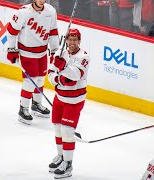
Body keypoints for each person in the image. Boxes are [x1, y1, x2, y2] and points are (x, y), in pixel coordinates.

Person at [5, 0, 59, 124]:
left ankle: (36, 104)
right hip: (27, 53)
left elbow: (53, 32)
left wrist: (55, 51)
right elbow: (11, 31)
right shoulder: (23, 12)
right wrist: (12, 49)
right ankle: (23, 109)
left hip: (42, 52)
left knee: (40, 78)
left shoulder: (50, 11)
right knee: (30, 81)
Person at [47, 28, 90, 179]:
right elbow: (50, 74)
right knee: (57, 129)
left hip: (74, 101)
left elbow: (75, 76)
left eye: (75, 40)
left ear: (79, 41)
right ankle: (61, 157)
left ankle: (68, 164)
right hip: (59, 97)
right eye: (69, 39)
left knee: (67, 131)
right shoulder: (60, 52)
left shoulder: (84, 56)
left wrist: (63, 67)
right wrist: (58, 79)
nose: (72, 43)